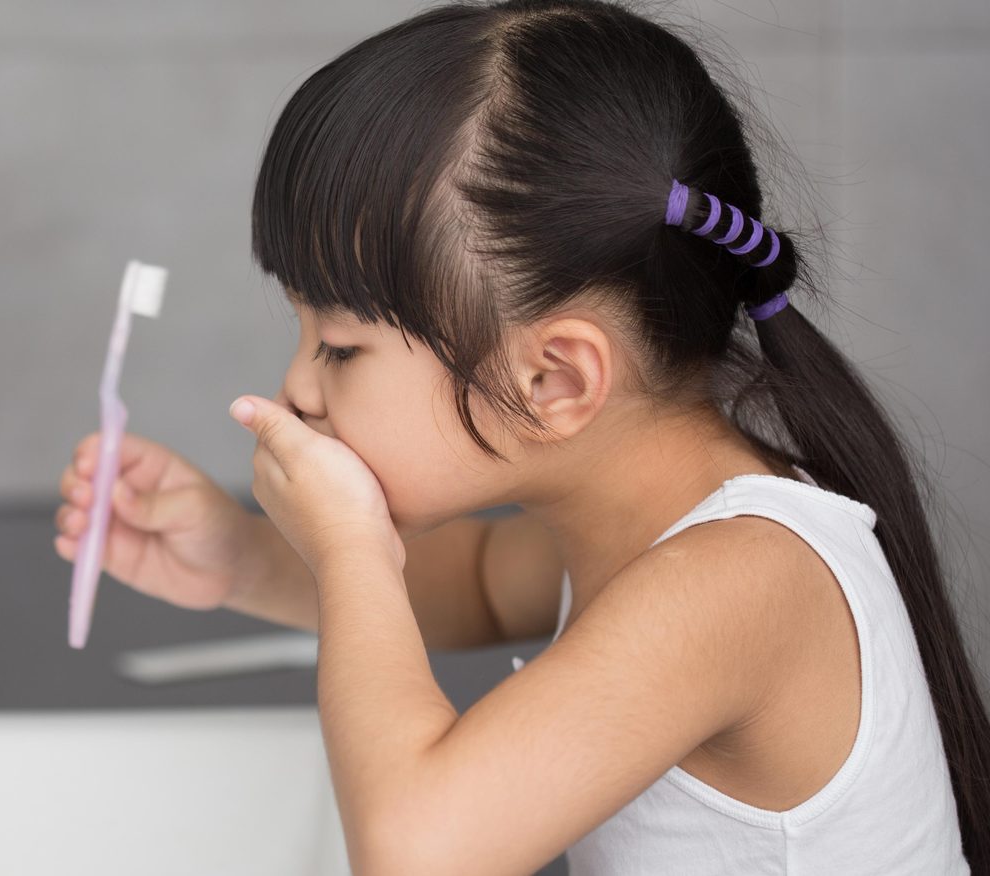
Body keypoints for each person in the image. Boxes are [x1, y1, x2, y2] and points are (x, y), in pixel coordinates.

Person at [55, 1, 985, 872]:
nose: (296, 386)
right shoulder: (647, 522)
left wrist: (350, 558)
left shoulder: (741, 577)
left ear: (556, 380)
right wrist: (242, 561)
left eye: (339, 346)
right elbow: (477, 585)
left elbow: (416, 849)